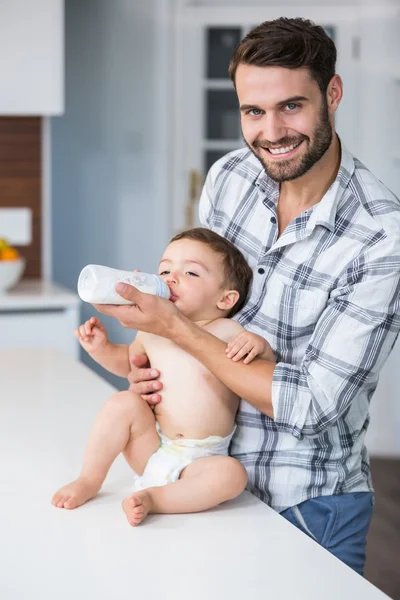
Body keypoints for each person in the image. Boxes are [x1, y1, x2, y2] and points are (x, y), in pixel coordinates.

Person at [94, 17, 400, 574]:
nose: (271, 131)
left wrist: (174, 330)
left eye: (291, 106)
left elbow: (309, 407)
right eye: (253, 111)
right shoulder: (230, 176)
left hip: (306, 504)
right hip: (203, 486)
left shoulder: (380, 237)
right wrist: (153, 359)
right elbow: (203, 303)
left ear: (332, 94)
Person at [52, 228, 274, 526]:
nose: (171, 277)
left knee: (232, 475)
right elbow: (131, 365)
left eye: (191, 273)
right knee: (123, 402)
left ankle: (157, 499)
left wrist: (260, 346)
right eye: (165, 269)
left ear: (225, 299)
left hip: (203, 461)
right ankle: (89, 479)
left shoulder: (227, 332)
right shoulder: (151, 330)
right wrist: (100, 348)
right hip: (155, 448)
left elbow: (262, 373)